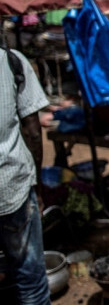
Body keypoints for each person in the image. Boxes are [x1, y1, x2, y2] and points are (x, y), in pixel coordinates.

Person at [0, 46, 50, 304]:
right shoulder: (12, 61)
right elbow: (32, 130)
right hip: (12, 187)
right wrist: (39, 188)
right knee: (30, 281)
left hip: (12, 187)